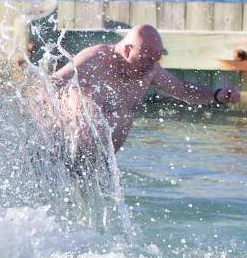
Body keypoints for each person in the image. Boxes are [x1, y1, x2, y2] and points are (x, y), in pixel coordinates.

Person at [49, 24, 241, 166]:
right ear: (127, 49)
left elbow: (182, 90)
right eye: (147, 59)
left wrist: (216, 94)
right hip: (64, 152)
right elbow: (51, 83)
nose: (151, 67)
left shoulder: (150, 69)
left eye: (156, 60)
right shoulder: (95, 59)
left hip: (101, 165)